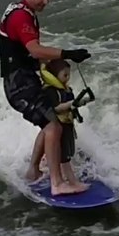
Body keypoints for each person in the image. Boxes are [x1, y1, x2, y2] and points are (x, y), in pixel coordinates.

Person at [0, 0, 91, 195]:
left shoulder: (25, 11)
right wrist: (67, 53)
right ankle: (57, 183)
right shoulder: (21, 17)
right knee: (53, 126)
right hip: (18, 84)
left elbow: (30, 53)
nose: (46, 2)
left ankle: (33, 171)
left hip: (25, 79)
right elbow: (35, 50)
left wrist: (65, 59)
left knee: (48, 122)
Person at [31, 58, 89, 194]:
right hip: (58, 126)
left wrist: (80, 102)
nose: (67, 78)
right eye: (65, 75)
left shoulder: (67, 90)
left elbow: (71, 104)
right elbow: (55, 108)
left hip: (68, 125)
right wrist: (71, 104)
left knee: (67, 152)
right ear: (55, 75)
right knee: (64, 157)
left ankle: (48, 163)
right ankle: (72, 181)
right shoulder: (51, 91)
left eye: (69, 74)